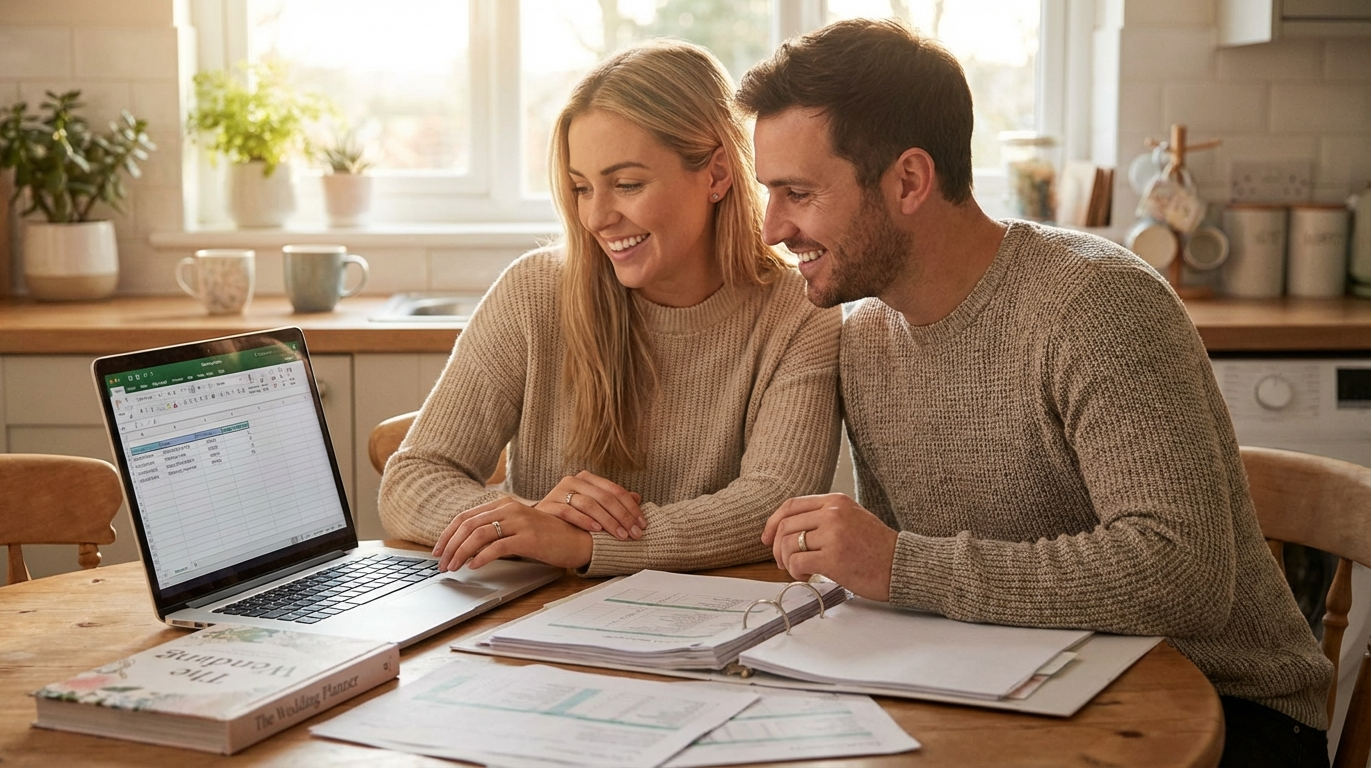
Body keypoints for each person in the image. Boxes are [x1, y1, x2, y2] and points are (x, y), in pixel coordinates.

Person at [739, 18, 1334, 768]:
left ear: (910, 181)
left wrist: (899, 566)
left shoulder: (1097, 304)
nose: (771, 228)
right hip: (1018, 684)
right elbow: (920, 583)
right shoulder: (863, 336)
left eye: (797, 193)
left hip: (1226, 712)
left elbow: (1183, 573)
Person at [379, 39, 841, 579]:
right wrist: (523, 523)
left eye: (627, 184)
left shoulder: (799, 312)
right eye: (581, 188)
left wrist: (581, 544)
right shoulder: (535, 292)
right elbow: (413, 476)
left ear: (717, 175)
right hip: (534, 619)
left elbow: (773, 502)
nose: (597, 217)